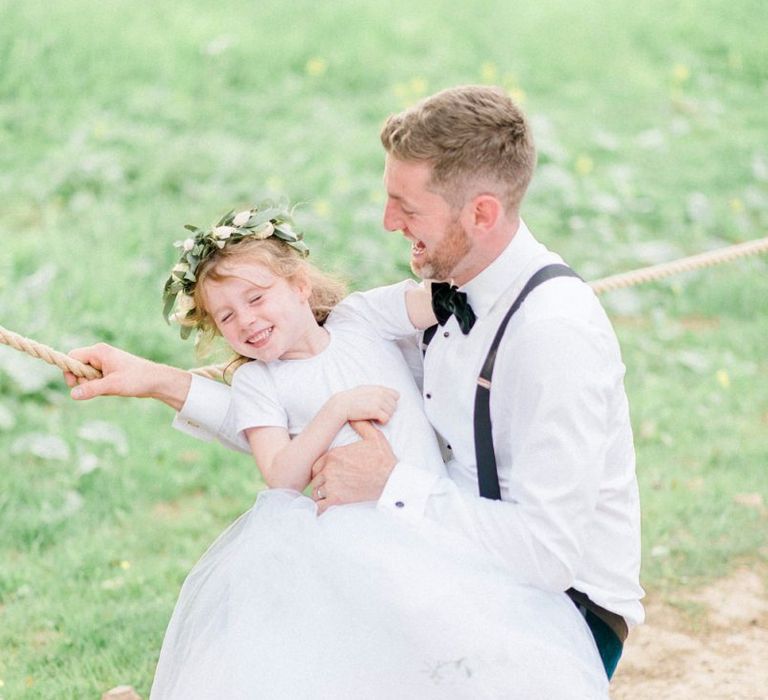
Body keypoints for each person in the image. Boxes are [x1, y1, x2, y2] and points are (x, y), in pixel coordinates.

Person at [68, 84, 642, 690]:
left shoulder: (552, 336)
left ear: (481, 213)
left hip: (553, 607)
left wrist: (392, 484)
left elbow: (547, 557)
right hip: (437, 557)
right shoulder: (438, 300)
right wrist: (158, 381)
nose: (387, 223)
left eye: (407, 207)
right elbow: (309, 421)